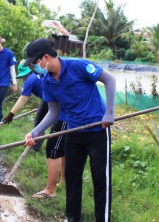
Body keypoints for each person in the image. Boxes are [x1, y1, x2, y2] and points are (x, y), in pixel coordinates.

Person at [23, 38, 116, 222]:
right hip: (72, 131)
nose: (34, 66)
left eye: (35, 62)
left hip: (97, 129)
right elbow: (53, 112)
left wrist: (109, 113)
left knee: (100, 178)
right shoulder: (48, 82)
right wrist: (35, 132)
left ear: (46, 57)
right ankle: (72, 217)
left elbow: (109, 79)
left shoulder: (78, 66)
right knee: (72, 178)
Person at [3, 61, 67, 199]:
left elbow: (23, 99)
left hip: (57, 106)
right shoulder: (37, 77)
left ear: (28, 73)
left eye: (23, 75)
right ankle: (36, 147)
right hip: (51, 101)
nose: (24, 78)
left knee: (55, 142)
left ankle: (36, 149)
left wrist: (11, 114)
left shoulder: (31, 79)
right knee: (41, 127)